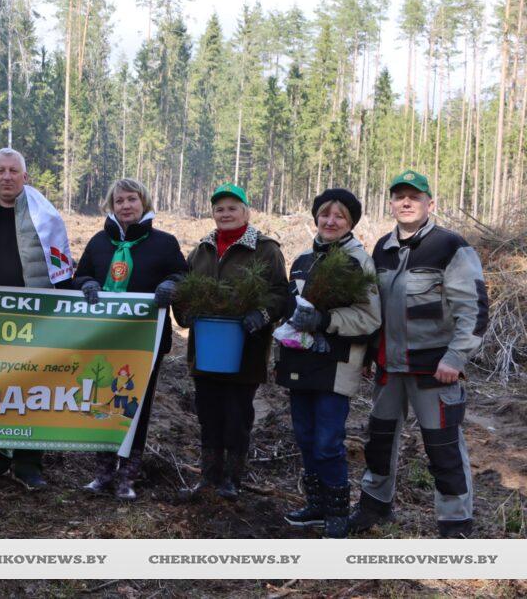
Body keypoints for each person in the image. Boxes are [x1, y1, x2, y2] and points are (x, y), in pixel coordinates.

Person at [349, 171, 488, 539]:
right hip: (389, 368)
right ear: (391, 204)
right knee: (378, 442)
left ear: (430, 204)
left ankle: (455, 525)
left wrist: (455, 358)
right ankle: (374, 506)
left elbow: (473, 309)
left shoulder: (450, 246)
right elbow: (374, 308)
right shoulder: (382, 248)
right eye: (400, 197)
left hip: (434, 370)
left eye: (415, 196)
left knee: (444, 449)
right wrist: (369, 355)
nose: (406, 202)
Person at [0, 147, 74, 489]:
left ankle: (28, 463)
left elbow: (61, 267)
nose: (7, 177)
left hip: (35, 318)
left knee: (32, 388)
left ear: (25, 176)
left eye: (13, 171)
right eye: (0, 171)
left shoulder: (46, 216)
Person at [274, 188, 380, 537]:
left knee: (327, 441)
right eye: (325, 214)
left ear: (351, 222)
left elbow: (369, 317)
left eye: (340, 216)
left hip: (336, 365)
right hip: (299, 361)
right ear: (316, 217)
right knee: (305, 437)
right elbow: (290, 309)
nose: (330, 221)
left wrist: (325, 320)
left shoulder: (358, 261)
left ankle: (337, 512)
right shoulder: (303, 259)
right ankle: (316, 505)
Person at [73, 178, 187, 501]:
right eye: (119, 201)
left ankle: (128, 476)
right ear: (111, 206)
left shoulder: (165, 243)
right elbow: (79, 276)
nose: (126, 206)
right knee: (103, 402)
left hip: (145, 343)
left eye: (132, 199)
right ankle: (103, 473)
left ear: (144, 202)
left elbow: (183, 275)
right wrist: (86, 284)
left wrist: (171, 285)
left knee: (137, 407)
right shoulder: (98, 242)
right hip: (103, 339)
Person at [176, 183, 287, 500]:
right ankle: (209, 477)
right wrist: (184, 314)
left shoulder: (265, 249)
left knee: (237, 416)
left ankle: (232, 479)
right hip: (206, 350)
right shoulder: (201, 250)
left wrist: (261, 314)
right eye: (219, 209)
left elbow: (280, 293)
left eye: (232, 208)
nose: (225, 214)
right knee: (208, 415)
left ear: (246, 212)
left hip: (246, 351)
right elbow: (184, 291)